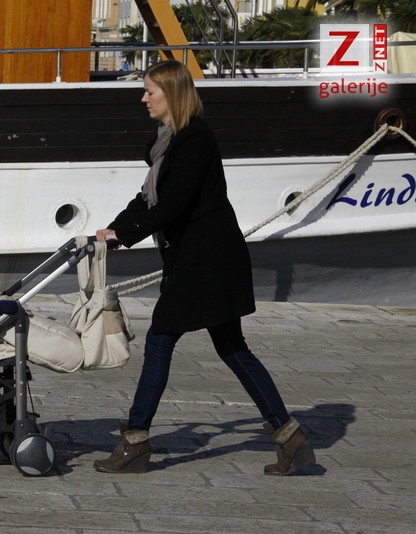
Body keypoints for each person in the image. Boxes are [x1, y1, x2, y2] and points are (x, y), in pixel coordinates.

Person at [93, 60, 316, 476]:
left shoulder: (194, 140)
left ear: (172, 94)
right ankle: (291, 438)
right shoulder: (168, 141)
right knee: (232, 348)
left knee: (160, 339)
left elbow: (174, 204)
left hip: (206, 261)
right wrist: (115, 229)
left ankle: (136, 440)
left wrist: (126, 233)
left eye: (150, 92)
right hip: (202, 258)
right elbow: (148, 199)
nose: (143, 99)